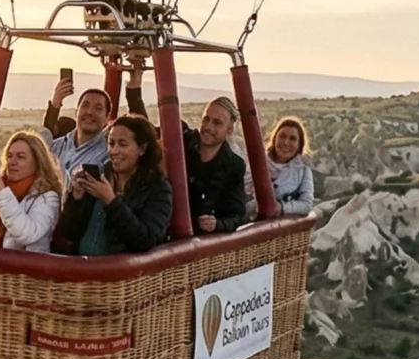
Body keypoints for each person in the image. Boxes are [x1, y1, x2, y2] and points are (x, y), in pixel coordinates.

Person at [56, 115, 173, 256]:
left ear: (142, 149)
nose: (114, 151)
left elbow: (146, 241)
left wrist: (111, 202)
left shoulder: (158, 189)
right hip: (82, 269)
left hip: (122, 273)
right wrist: (75, 199)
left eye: (122, 144)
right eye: (111, 143)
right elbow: (69, 232)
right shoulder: (96, 177)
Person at [182, 98, 253, 234]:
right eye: (206, 119)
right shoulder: (183, 141)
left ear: (229, 130)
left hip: (200, 241)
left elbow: (235, 215)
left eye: (217, 123)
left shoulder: (234, 165)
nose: (208, 127)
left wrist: (217, 224)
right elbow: (143, 133)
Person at [42, 78, 116, 176]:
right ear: (76, 112)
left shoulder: (108, 155)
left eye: (98, 108)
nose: (89, 112)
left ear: (107, 118)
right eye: (85, 106)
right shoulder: (55, 147)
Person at [268, 115, 316, 216]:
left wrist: (282, 207)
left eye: (292, 139)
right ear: (274, 139)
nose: (286, 142)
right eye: (282, 136)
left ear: (299, 145)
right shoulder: (256, 164)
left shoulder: (303, 172)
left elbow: (306, 204)